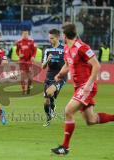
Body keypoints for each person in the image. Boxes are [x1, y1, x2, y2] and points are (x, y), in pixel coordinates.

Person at [51, 23, 114, 155]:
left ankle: (65, 147)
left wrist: (88, 85)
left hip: (86, 86)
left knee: (68, 111)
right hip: (78, 87)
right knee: (91, 120)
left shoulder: (82, 47)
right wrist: (60, 74)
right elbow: (68, 65)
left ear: (64, 35)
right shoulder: (68, 49)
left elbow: (96, 66)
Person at [42, 29, 66, 127]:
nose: (50, 40)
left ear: (57, 38)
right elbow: (43, 66)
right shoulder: (47, 50)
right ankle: (49, 116)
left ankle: (52, 105)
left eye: (52, 38)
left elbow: (68, 64)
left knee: (49, 92)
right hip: (49, 77)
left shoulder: (64, 49)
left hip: (60, 77)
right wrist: (47, 60)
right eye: (49, 38)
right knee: (46, 102)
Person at [16, 29, 37, 94]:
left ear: (28, 34)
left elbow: (34, 50)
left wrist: (33, 56)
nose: (25, 35)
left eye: (26, 34)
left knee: (30, 77)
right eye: (24, 34)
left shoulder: (31, 41)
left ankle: (28, 88)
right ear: (22, 35)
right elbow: (17, 50)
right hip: (22, 61)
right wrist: (19, 54)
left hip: (29, 61)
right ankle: (23, 90)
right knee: (22, 76)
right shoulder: (19, 42)